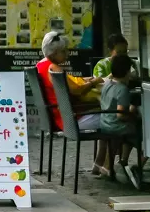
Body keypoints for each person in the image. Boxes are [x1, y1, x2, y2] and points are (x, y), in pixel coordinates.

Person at [37, 31, 104, 165]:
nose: (67, 54)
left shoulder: (41, 65)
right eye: (64, 51)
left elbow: (70, 84)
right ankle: (107, 164)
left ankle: (101, 163)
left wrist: (87, 80)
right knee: (116, 121)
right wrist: (95, 82)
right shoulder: (54, 68)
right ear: (55, 52)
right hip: (69, 119)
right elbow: (76, 91)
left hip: (60, 116)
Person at [100, 53, 142, 184]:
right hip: (116, 125)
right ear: (128, 71)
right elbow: (121, 115)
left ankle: (123, 161)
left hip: (105, 123)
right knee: (147, 134)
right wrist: (134, 115)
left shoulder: (107, 84)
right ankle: (139, 166)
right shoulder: (122, 89)